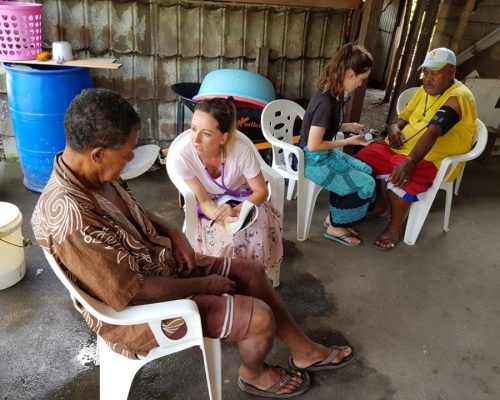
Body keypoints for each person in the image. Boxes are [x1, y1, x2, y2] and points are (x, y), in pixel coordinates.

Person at [31, 88, 356, 398]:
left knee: (253, 273)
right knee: (259, 318)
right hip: (139, 315)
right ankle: (254, 375)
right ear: (99, 154)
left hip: (162, 268)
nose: (131, 156)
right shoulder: (70, 218)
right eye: (127, 151)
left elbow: (134, 211)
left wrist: (174, 232)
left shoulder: (94, 170)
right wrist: (206, 283)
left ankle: (304, 352)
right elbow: (133, 292)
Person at [356, 47, 477, 250]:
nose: (428, 79)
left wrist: (411, 161)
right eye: (426, 72)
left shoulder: (459, 96)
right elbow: (404, 115)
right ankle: (380, 206)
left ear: (451, 72)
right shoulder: (423, 90)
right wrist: (394, 128)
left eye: (435, 73)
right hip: (400, 148)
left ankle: (395, 228)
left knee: (401, 179)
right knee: (361, 160)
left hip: (432, 159)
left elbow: (434, 130)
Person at [169, 98, 282, 287]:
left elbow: (261, 191)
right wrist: (219, 215)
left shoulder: (241, 152)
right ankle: (227, 284)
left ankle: (256, 282)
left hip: (245, 198)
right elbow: (204, 201)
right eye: (193, 128)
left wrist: (237, 210)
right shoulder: (183, 157)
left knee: (257, 233)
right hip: (210, 203)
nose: (195, 139)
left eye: (205, 133)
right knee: (224, 240)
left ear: (223, 138)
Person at [298, 43, 376, 247]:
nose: (360, 84)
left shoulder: (333, 93)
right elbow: (314, 145)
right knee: (366, 184)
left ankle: (336, 218)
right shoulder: (326, 101)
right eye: (361, 79)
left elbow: (323, 127)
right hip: (314, 162)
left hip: (324, 156)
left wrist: (349, 126)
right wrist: (349, 141)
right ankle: (335, 226)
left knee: (367, 170)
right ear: (350, 74)